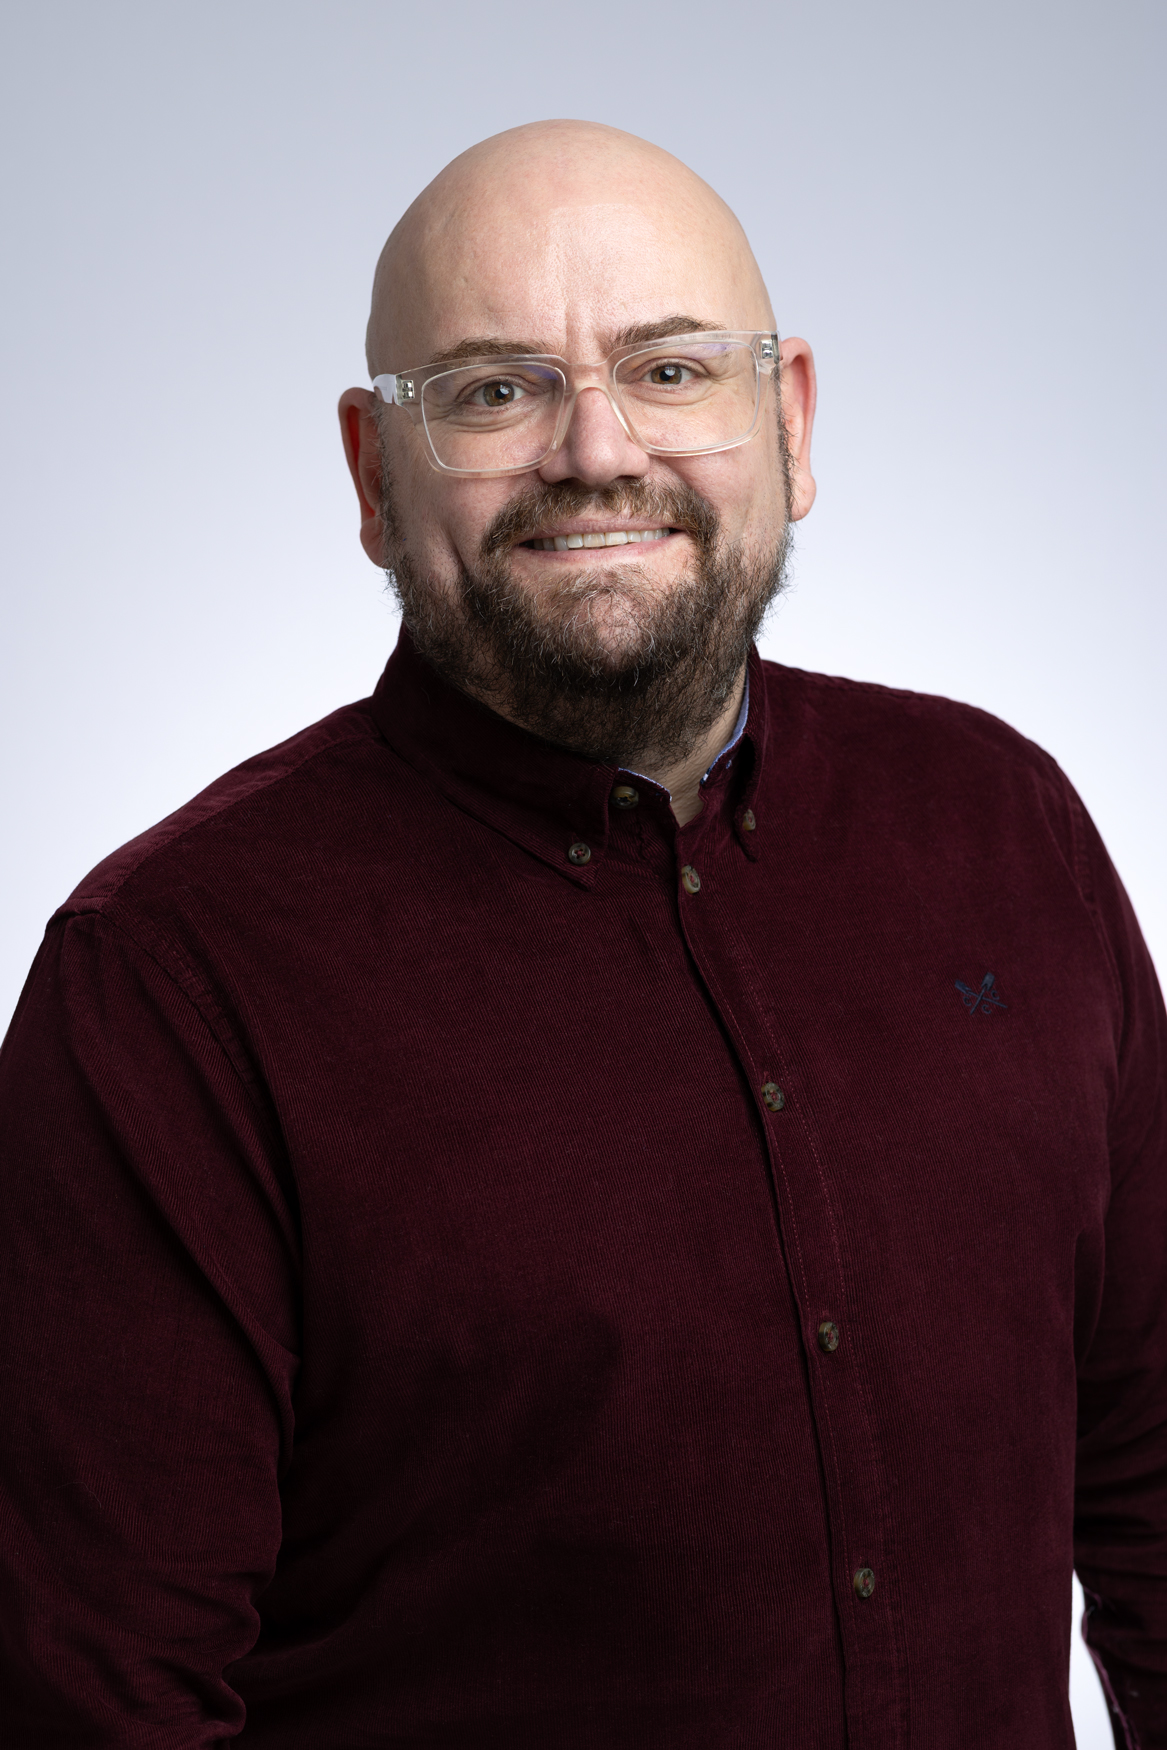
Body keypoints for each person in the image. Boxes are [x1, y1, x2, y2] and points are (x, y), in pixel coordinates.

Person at [0, 119, 1163, 1750]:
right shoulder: (170, 982)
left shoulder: (1005, 823)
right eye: (492, 389)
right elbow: (96, 1700)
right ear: (369, 471)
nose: (594, 449)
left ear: (791, 419)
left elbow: (1152, 1477)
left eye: (671, 369)